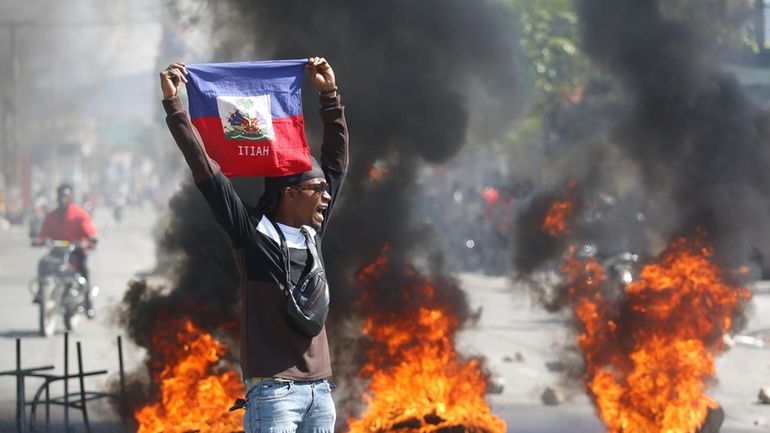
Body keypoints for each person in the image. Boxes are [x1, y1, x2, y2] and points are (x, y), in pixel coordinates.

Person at [161, 57, 348, 433]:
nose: (326, 197)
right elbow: (206, 170)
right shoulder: (251, 232)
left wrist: (329, 95)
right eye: (317, 190)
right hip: (275, 395)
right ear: (290, 194)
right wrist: (175, 107)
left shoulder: (312, 234)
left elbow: (336, 164)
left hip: (320, 394)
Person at [33, 183, 98, 317]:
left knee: (85, 269)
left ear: (71, 197)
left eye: (66, 195)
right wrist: (39, 240)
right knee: (43, 263)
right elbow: (43, 233)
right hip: (57, 252)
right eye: (61, 195)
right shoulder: (51, 216)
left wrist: (88, 241)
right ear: (57, 197)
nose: (63, 198)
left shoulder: (80, 215)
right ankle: (41, 293)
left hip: (76, 252)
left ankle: (88, 303)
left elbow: (90, 233)